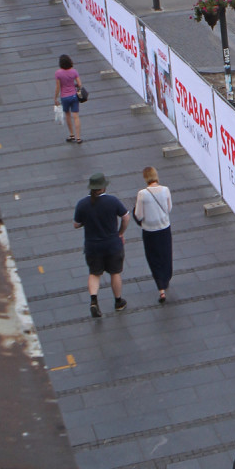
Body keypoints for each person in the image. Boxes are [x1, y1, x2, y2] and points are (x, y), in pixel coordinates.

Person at [73, 171, 129, 318]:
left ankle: (93, 301)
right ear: (103, 187)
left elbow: (76, 224)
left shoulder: (83, 204)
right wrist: (120, 232)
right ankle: (118, 302)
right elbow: (126, 217)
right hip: (112, 244)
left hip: (93, 246)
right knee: (115, 273)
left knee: (94, 274)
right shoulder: (113, 201)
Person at [133, 165, 173, 302]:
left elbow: (138, 215)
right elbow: (169, 209)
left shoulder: (142, 194)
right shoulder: (165, 190)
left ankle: (161, 288)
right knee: (166, 255)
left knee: (153, 258)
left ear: (145, 178)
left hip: (149, 231)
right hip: (164, 228)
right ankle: (166, 278)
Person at [54, 52, 83, 144]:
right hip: (74, 96)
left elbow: (58, 87)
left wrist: (55, 98)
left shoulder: (58, 73)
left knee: (68, 115)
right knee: (76, 116)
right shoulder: (74, 71)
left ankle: (72, 135)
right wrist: (73, 85)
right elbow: (79, 84)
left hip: (64, 97)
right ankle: (78, 138)